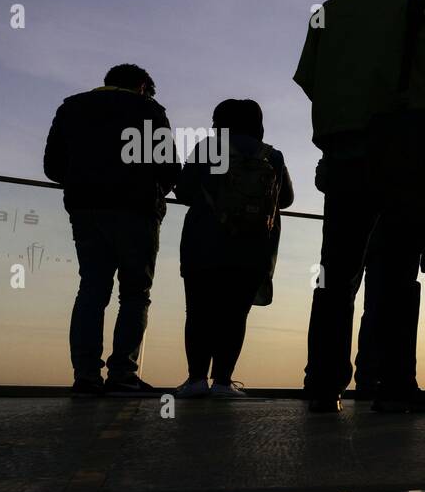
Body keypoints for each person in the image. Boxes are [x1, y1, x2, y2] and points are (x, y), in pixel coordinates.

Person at [294, 0, 425, 414]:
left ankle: (323, 384)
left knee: (336, 272)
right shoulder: (418, 12)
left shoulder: (324, 13)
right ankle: (392, 384)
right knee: (395, 272)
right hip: (403, 155)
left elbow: (308, 78)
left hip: (344, 156)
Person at [43, 63, 180, 396]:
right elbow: (169, 167)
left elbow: (52, 166)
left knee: (92, 289)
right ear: (143, 86)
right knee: (135, 294)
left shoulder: (71, 107)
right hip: (136, 210)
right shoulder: (148, 109)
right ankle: (123, 374)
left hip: (85, 209)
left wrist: (83, 183)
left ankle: (86, 376)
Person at [173, 99, 293, 399]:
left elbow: (185, 190)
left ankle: (196, 380)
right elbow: (287, 199)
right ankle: (223, 382)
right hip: (252, 248)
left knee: (199, 312)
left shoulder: (209, 148)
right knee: (235, 315)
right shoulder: (273, 155)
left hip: (204, 244)